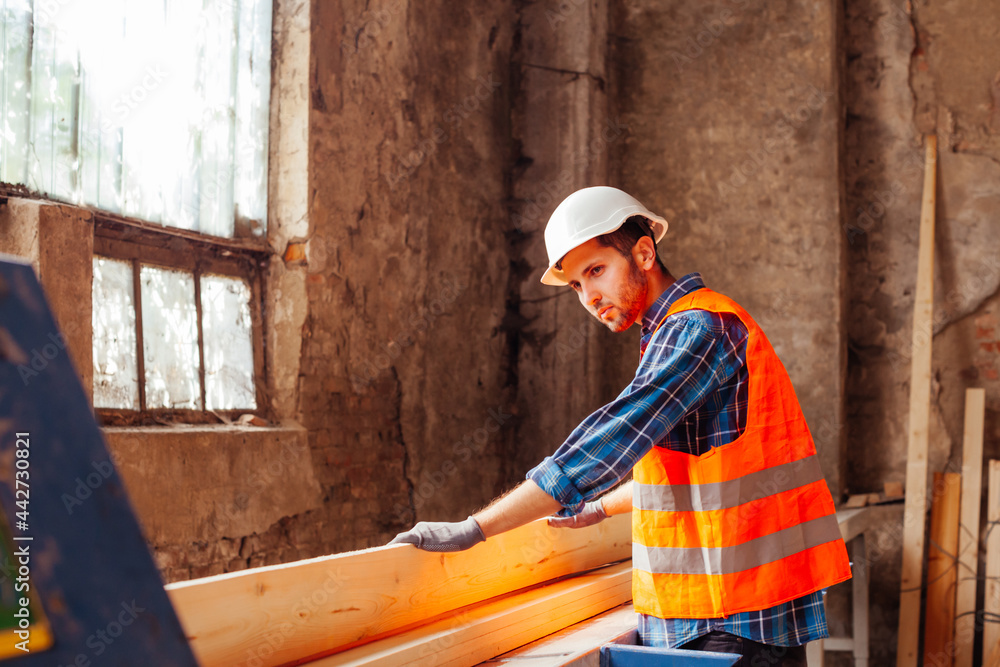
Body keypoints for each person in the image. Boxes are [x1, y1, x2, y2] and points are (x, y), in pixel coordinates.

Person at [389, 186, 851, 664]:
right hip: (736, 611)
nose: (590, 297)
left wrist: (475, 528)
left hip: (726, 617)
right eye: (576, 286)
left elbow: (610, 440)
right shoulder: (681, 328)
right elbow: (694, 472)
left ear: (644, 253)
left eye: (596, 271)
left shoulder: (695, 330)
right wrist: (599, 509)